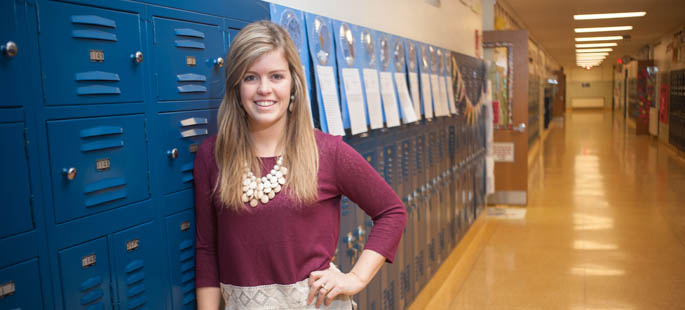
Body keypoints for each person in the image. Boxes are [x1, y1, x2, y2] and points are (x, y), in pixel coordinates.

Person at [193, 20, 406, 309]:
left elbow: (392, 212)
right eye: (250, 77)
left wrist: (355, 278)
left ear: (293, 83)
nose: (264, 89)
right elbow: (207, 251)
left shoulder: (328, 152)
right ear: (236, 86)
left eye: (276, 76)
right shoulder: (212, 155)